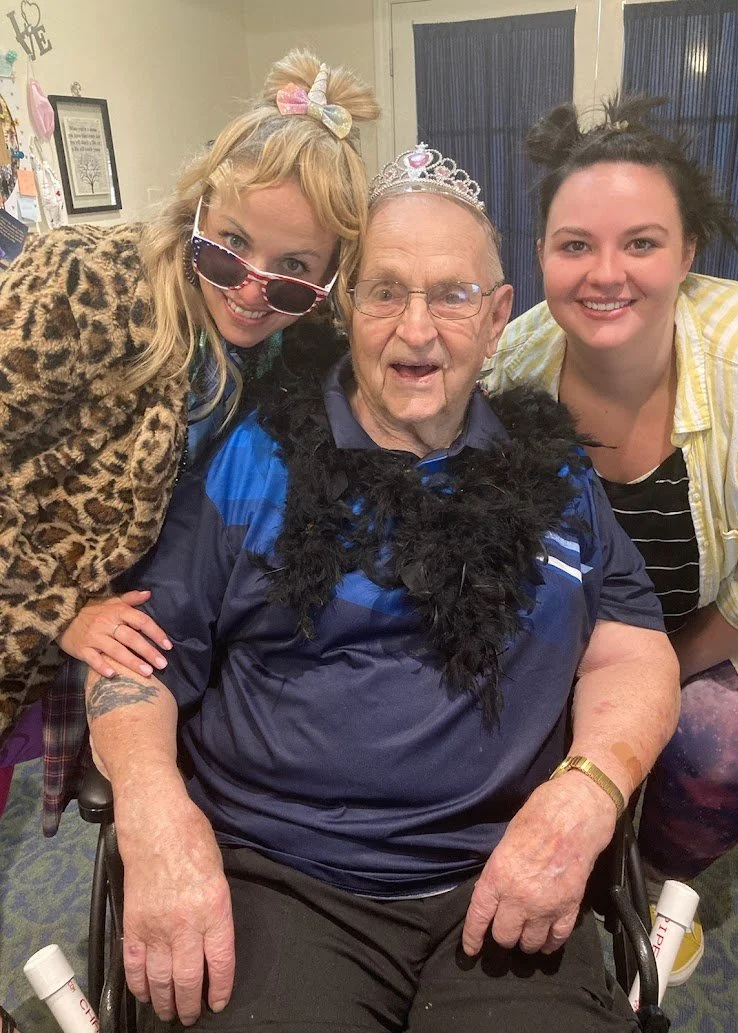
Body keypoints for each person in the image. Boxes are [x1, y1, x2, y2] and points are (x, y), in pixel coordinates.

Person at [85, 144, 679, 1032]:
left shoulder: (553, 471)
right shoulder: (252, 459)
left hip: (505, 876)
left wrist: (587, 790)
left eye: (451, 294)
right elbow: (136, 659)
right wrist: (152, 810)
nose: (416, 328)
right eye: (384, 291)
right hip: (278, 879)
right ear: (345, 309)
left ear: (496, 315)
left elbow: (633, 647)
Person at [0, 50, 379, 829]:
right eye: (228, 246)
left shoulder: (291, 347)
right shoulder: (85, 282)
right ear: (199, 207)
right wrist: (59, 607)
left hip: (108, 631)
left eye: (291, 274)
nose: (248, 288)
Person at [486, 95, 738, 984]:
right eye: (575, 245)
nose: (604, 274)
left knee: (715, 750)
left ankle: (655, 882)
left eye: (640, 243)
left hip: (723, 617)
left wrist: (666, 665)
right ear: (540, 256)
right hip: (576, 615)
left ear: (689, 253)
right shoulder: (506, 369)